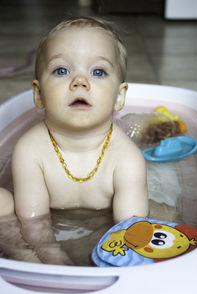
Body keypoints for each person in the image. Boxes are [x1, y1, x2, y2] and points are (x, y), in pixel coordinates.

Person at [0, 16, 148, 265]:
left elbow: (129, 229)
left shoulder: (126, 157)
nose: (80, 82)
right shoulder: (30, 150)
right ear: (38, 94)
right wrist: (52, 255)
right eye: (62, 70)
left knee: (162, 218)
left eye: (98, 72)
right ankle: (27, 261)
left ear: (119, 97)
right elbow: (33, 221)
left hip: (105, 226)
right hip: (48, 228)